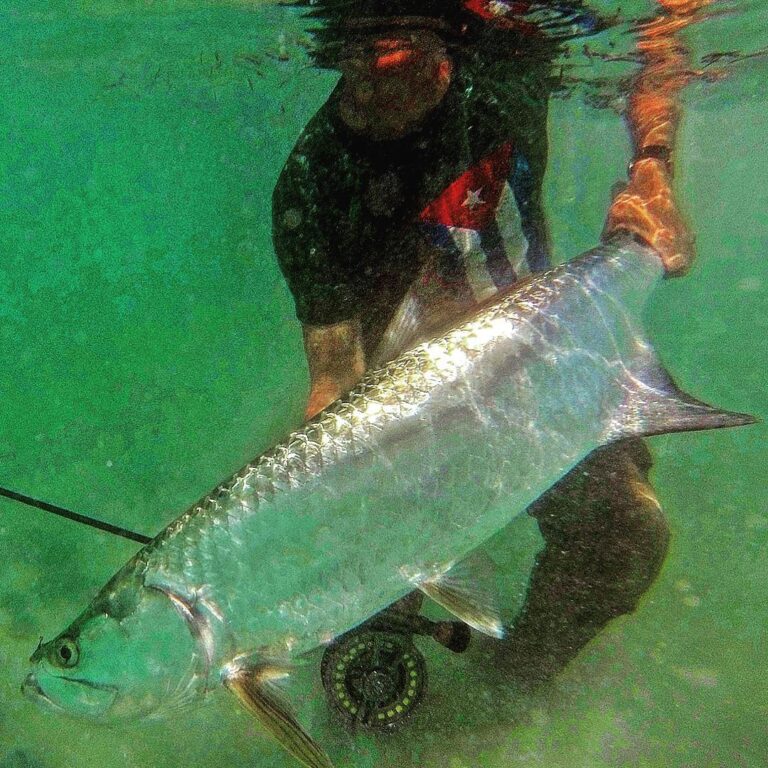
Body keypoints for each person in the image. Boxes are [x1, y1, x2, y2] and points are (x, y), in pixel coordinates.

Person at [272, 0, 702, 691]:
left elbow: (659, 50)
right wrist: (339, 516)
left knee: (626, 535)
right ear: (343, 54)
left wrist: (654, 166)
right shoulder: (313, 184)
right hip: (405, 411)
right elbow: (334, 372)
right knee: (358, 610)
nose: (390, 77)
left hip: (545, 354)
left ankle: (511, 689)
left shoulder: (505, 60)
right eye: (368, 59)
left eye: (412, 54)